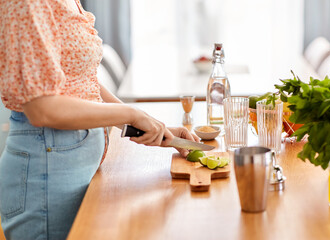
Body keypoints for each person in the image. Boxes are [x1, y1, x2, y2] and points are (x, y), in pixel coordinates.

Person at [0, 1, 199, 239]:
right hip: (46, 174)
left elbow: (82, 82)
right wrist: (131, 115)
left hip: (72, 166)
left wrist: (153, 126)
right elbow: (42, 109)